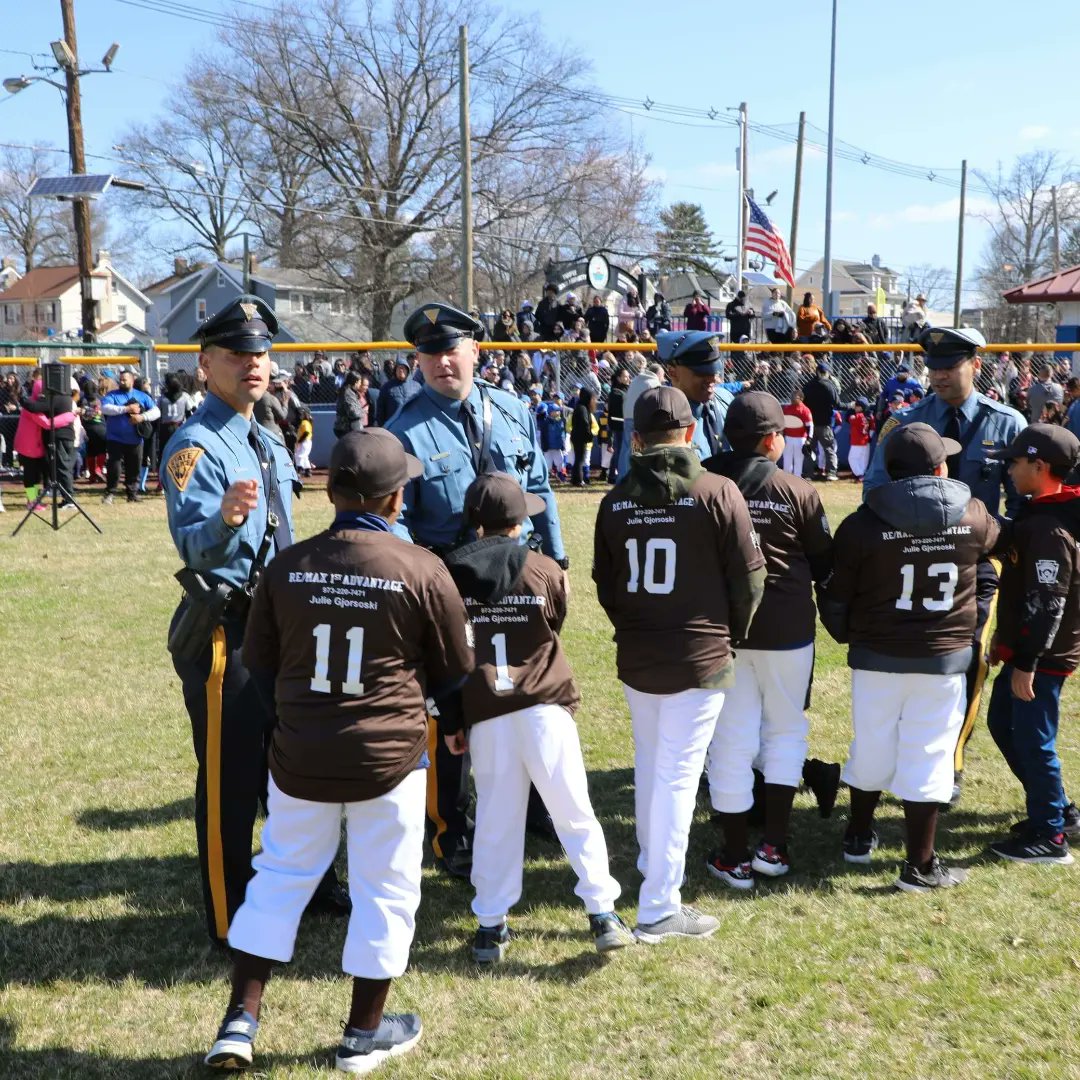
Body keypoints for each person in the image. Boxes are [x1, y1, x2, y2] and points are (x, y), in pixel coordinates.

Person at [204, 429, 473, 1072]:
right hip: (388, 756)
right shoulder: (420, 567)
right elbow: (454, 670)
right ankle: (362, 1033)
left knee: (279, 876)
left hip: (301, 752)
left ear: (331, 491)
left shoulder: (287, 564)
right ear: (396, 497)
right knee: (387, 886)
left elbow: (261, 666)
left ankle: (239, 1021)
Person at [162, 295, 349, 949]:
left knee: (291, 767)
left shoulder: (265, 436)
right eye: (239, 354)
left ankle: (306, 886)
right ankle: (228, 913)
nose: (254, 364)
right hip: (226, 633)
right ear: (206, 363)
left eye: (262, 353)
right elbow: (194, 545)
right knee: (231, 778)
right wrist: (227, 520)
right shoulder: (195, 446)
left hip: (278, 628)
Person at [385, 301, 568, 878]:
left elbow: (539, 484)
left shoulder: (512, 408)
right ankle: (451, 830)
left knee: (536, 688)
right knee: (453, 703)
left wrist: (555, 558)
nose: (442, 361)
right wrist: (426, 584)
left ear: (475, 352)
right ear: (418, 361)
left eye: (452, 349)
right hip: (451, 584)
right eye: (429, 353)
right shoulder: (403, 430)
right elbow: (399, 520)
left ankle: (538, 806)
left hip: (520, 577)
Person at [594, 386, 765, 941]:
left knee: (653, 766)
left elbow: (607, 584)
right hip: (698, 654)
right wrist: (729, 634)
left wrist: (635, 626)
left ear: (636, 439)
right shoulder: (719, 491)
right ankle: (660, 904)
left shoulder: (614, 499)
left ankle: (654, 873)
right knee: (676, 778)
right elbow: (749, 579)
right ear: (691, 434)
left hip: (642, 652)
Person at [441, 473, 633, 962]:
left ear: (474, 522)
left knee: (496, 819)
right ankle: (602, 911)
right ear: (520, 520)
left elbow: (449, 651)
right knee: (573, 809)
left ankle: (490, 924)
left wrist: (453, 718)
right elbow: (555, 620)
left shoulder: (451, 573)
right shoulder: (544, 567)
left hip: (487, 708)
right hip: (545, 706)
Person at [821, 423, 1002, 891]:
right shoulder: (975, 515)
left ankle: (859, 834)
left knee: (872, 743)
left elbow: (838, 594)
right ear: (940, 467)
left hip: (878, 653)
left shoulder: (861, 525)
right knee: (929, 754)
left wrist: (848, 635)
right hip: (941, 657)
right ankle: (919, 865)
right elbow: (989, 560)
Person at [863, 326, 1026, 803]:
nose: (936, 376)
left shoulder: (1008, 424)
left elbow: (1020, 504)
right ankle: (896, 757)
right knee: (905, 661)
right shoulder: (904, 424)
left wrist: (997, 541)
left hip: (976, 565)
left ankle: (948, 763)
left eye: (948, 367)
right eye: (931, 367)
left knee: (968, 661)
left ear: (975, 365)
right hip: (910, 560)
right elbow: (875, 490)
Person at [702, 393, 834, 885]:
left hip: (726, 628)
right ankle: (773, 848)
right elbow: (825, 563)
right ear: (772, 439)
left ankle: (735, 854)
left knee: (731, 740)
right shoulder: (796, 489)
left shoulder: (705, 484)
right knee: (783, 730)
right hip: (786, 628)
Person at [983, 425, 1080, 865]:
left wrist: (1027, 662)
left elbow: (1048, 602)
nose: (1009, 467)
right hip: (1028, 649)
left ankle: (1050, 835)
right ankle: (1057, 810)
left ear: (1039, 467)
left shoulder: (1049, 528)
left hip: (1045, 654)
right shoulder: (1036, 514)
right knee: (1004, 723)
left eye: (1016, 461)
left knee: (1033, 739)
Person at [655, 330, 740, 462]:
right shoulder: (662, 416)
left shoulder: (726, 399)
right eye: (702, 373)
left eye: (714, 371)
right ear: (673, 373)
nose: (712, 379)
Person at [101, 368, 159, 504]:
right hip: (115, 438)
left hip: (135, 438)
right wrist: (126, 409)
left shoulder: (142, 396)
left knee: (134, 467)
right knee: (114, 467)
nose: (121, 382)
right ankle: (110, 493)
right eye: (120, 379)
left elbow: (156, 411)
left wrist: (142, 417)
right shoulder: (112, 395)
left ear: (132, 381)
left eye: (124, 380)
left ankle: (132, 494)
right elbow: (105, 408)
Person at [802, 363, 840, 481]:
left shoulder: (808, 385)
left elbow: (803, 403)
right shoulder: (829, 385)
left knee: (810, 449)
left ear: (816, 372)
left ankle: (809, 474)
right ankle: (831, 473)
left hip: (811, 424)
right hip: (824, 423)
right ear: (827, 373)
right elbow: (837, 403)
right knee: (829, 448)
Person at [569, 387, 597, 486]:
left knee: (578, 459)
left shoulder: (580, 407)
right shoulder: (582, 409)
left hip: (577, 436)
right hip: (580, 437)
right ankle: (579, 480)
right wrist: (589, 435)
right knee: (580, 459)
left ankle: (575, 479)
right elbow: (585, 424)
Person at [781, 388, 812, 475]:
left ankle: (797, 478)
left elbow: (810, 425)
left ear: (801, 399)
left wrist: (809, 439)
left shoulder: (805, 410)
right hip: (788, 438)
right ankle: (787, 478)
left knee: (798, 460)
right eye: (792, 396)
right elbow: (783, 423)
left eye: (795, 397)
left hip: (800, 439)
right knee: (787, 459)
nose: (792, 398)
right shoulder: (787, 409)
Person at [846, 398, 873, 480]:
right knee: (862, 460)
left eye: (857, 406)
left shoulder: (858, 416)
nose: (855, 407)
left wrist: (850, 408)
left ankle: (860, 475)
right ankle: (862, 474)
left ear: (861, 407)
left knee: (852, 459)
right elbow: (873, 428)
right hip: (866, 440)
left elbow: (849, 418)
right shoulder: (869, 416)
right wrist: (870, 437)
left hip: (857, 441)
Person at [293, 406, 313, 477]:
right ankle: (308, 470)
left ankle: (299, 470)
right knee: (304, 456)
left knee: (299, 455)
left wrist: (300, 441)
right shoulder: (305, 422)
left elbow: (306, 432)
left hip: (305, 441)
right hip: (306, 441)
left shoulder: (305, 422)